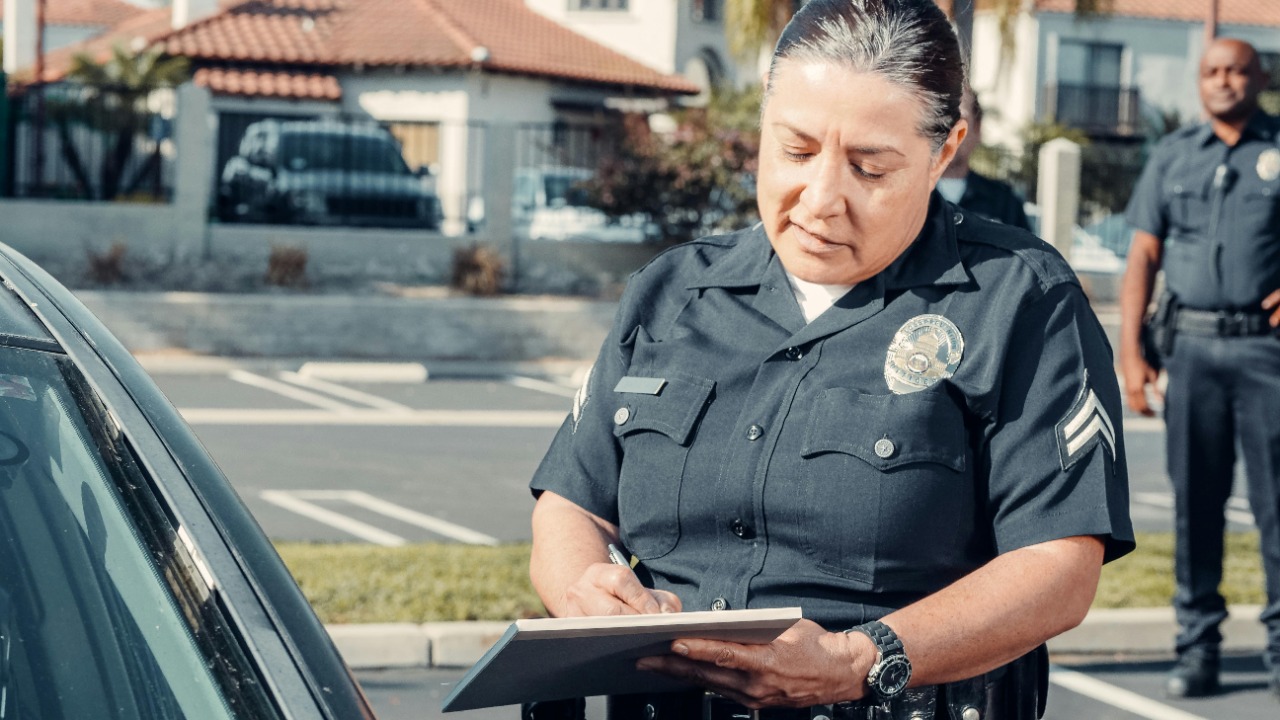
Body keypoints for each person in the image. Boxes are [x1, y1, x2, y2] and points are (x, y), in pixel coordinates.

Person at [528, 1, 1134, 718]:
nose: (822, 199)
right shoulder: (672, 292)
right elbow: (573, 503)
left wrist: (860, 659)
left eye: (869, 168)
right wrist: (583, 588)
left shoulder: (1019, 301)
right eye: (795, 150)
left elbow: (1060, 564)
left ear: (946, 151)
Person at [1121, 37, 1280, 700]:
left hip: (1267, 355)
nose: (1224, 81)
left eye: (1237, 70)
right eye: (1212, 71)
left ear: (1259, 76)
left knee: (1277, 509)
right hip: (1191, 353)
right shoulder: (1174, 153)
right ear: (1199, 80)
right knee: (1195, 508)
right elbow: (1142, 257)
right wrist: (1130, 354)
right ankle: (1197, 648)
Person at [936, 86, 1032, 232]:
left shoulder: (1005, 203)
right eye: (942, 118)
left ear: (978, 129)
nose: (950, 130)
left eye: (959, 120)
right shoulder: (905, 197)